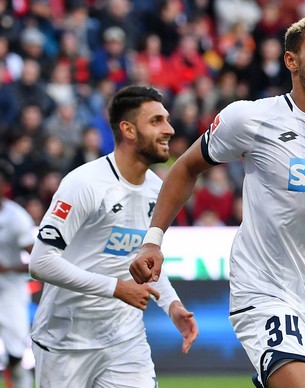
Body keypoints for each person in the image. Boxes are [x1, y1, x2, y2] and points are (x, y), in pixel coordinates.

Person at [129, 15, 305, 388]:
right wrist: (153, 240)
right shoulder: (250, 118)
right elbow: (186, 168)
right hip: (264, 290)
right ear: (291, 61)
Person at [28, 85, 198, 387]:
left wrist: (171, 305)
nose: (169, 129)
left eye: (167, 120)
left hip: (125, 341)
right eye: (156, 121)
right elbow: (40, 263)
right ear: (128, 129)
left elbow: (145, 261)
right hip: (66, 343)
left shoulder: (158, 191)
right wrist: (117, 288)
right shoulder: (84, 183)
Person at [0, 159, 35, 388]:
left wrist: (8, 268)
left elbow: (38, 261)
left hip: (10, 291)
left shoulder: (17, 217)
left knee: (15, 356)